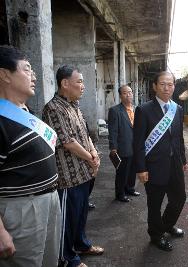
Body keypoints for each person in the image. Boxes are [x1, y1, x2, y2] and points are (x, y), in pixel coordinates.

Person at [0, 45, 61, 266]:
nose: (34, 75)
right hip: (22, 210)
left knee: (48, 261)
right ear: (4, 74)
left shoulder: (27, 112)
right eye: (27, 69)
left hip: (49, 201)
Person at [42, 65, 104, 267]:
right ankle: (67, 258)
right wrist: (90, 158)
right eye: (79, 82)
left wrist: (94, 153)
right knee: (67, 219)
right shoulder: (53, 108)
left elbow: (85, 133)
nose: (83, 86)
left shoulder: (74, 105)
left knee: (81, 214)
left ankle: (82, 244)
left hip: (84, 172)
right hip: (68, 177)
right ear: (65, 83)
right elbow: (67, 142)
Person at [133, 71, 188, 251]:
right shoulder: (143, 110)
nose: (167, 87)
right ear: (155, 86)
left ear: (174, 86)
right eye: (163, 84)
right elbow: (138, 141)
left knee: (179, 198)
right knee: (154, 204)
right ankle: (156, 235)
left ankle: (166, 225)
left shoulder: (177, 109)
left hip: (174, 164)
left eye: (170, 84)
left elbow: (179, 138)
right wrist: (141, 168)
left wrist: (183, 159)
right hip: (154, 166)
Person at [108, 85, 140, 202]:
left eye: (130, 92)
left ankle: (130, 189)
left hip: (135, 146)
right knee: (122, 171)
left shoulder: (137, 109)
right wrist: (113, 147)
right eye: (125, 93)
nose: (129, 95)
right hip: (123, 146)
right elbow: (113, 130)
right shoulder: (115, 111)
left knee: (132, 170)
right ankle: (120, 194)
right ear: (120, 95)